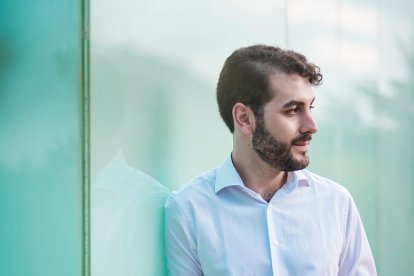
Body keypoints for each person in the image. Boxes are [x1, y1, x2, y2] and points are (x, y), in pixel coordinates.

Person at [164, 44, 377, 275]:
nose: (312, 126)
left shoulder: (337, 204)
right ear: (245, 118)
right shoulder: (189, 209)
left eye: (310, 107)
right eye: (293, 110)